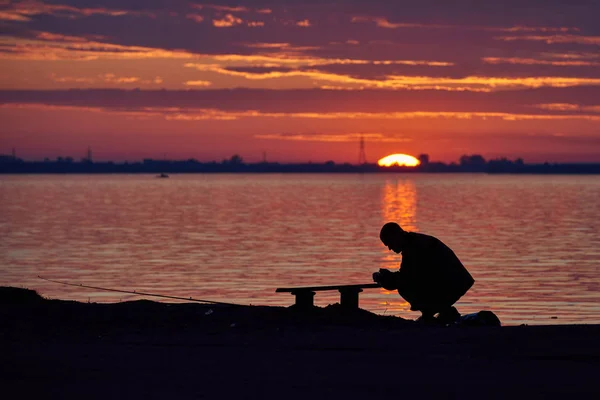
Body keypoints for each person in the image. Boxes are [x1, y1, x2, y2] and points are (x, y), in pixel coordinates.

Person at [373, 222, 474, 323]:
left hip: (454, 282)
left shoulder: (414, 247)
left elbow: (405, 279)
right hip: (456, 280)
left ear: (397, 236)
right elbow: (408, 274)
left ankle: (433, 313)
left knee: (405, 288)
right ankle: (441, 311)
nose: (390, 248)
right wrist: (389, 277)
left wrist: (384, 279)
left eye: (389, 243)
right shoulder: (414, 242)